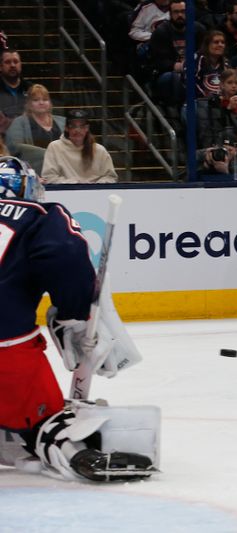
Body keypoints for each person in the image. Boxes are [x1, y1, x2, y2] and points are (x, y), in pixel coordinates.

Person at [0, 156, 158, 482]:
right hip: (6, 348)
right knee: (42, 421)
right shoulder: (39, 215)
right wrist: (73, 315)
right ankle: (70, 450)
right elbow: (65, 254)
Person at [41, 109, 118, 184]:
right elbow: (49, 178)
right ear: (66, 128)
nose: (77, 130)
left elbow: (111, 177)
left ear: (87, 128)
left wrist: (95, 186)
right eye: (73, 126)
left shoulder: (99, 150)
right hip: (66, 193)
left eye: (81, 126)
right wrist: (75, 184)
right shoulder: (55, 147)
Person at [5, 84, 65, 173]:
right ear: (29, 103)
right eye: (36, 100)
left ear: (50, 102)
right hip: (34, 173)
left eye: (45, 99)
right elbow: (14, 147)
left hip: (63, 171)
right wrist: (48, 154)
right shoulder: (19, 123)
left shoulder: (63, 121)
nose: (41, 103)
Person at [0, 49, 31, 136]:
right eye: (8, 62)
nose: (12, 65)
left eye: (16, 61)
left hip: (27, 137)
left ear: (20, 65)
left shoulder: (31, 89)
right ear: (0, 66)